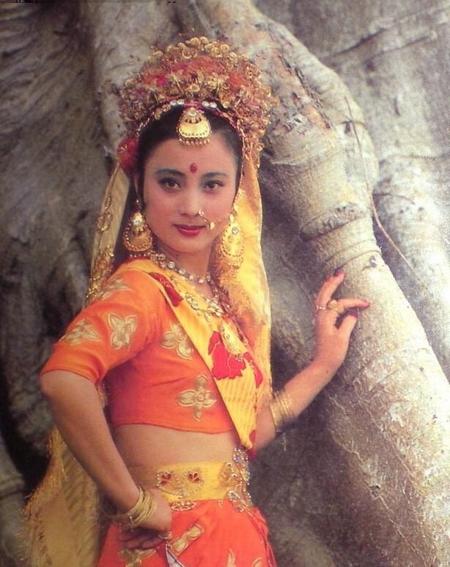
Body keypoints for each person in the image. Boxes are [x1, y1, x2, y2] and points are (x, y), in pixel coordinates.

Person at [25, 37, 370, 567]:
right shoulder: (142, 288)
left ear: (237, 193)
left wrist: (322, 365)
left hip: (235, 536)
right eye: (170, 182)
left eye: (212, 185)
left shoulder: (222, 306)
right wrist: (134, 502)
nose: (191, 206)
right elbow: (63, 380)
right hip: (166, 542)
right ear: (141, 187)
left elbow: (251, 432)